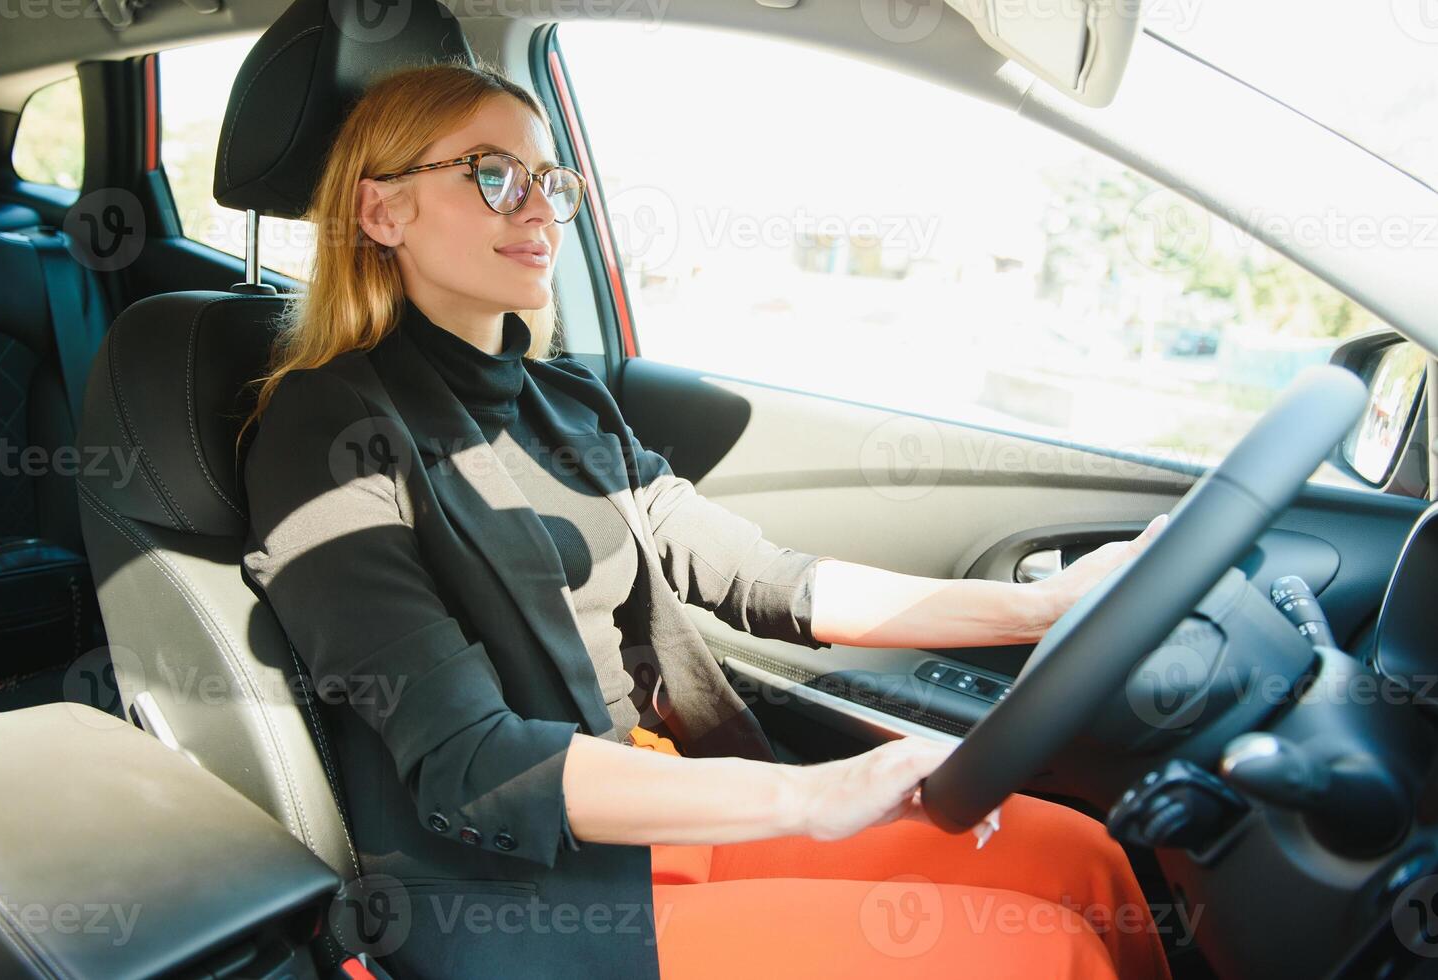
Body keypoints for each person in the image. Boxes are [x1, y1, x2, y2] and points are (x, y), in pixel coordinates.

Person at [239, 57, 1173, 979]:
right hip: (518, 882)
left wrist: (1042, 611)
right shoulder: (325, 429)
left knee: (1081, 860)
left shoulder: (566, 406)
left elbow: (765, 578)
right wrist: (809, 797)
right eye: (493, 174)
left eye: (549, 181)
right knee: (1041, 952)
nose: (537, 209)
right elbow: (471, 763)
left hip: (660, 800)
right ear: (382, 210)